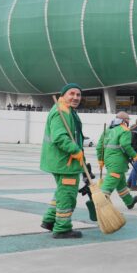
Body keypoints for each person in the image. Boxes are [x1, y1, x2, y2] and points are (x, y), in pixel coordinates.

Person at [40, 83, 86, 239]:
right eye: (71, 94)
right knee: (67, 195)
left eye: (78, 95)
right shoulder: (61, 112)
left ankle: (49, 220)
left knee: (61, 193)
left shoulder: (68, 111)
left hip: (63, 161)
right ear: (63, 95)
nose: (75, 97)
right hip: (65, 162)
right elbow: (59, 137)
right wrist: (75, 150)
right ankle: (62, 228)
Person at [96, 112, 137, 210]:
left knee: (121, 184)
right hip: (118, 162)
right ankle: (99, 205)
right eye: (128, 119)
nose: (128, 121)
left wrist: (100, 160)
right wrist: (134, 155)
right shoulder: (125, 130)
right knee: (109, 183)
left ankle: (129, 202)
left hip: (109, 161)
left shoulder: (107, 130)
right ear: (124, 120)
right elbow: (125, 144)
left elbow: (99, 147)